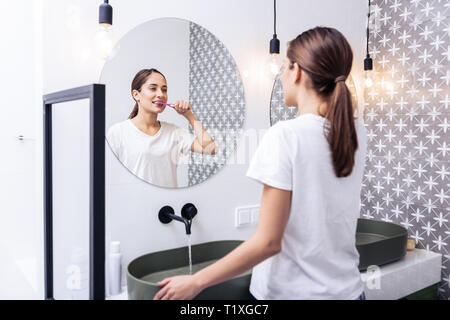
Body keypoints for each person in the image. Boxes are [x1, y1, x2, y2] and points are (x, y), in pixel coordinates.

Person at [153, 26, 367, 300]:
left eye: (285, 69)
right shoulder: (357, 132)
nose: (282, 79)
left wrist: (196, 282)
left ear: (297, 71)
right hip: (349, 291)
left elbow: (267, 242)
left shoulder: (285, 135)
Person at [107, 69, 217, 188]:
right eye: (153, 88)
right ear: (136, 94)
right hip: (135, 203)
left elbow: (210, 148)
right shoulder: (118, 132)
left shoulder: (174, 132)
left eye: (164, 90)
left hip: (168, 205)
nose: (161, 94)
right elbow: (109, 176)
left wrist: (189, 115)